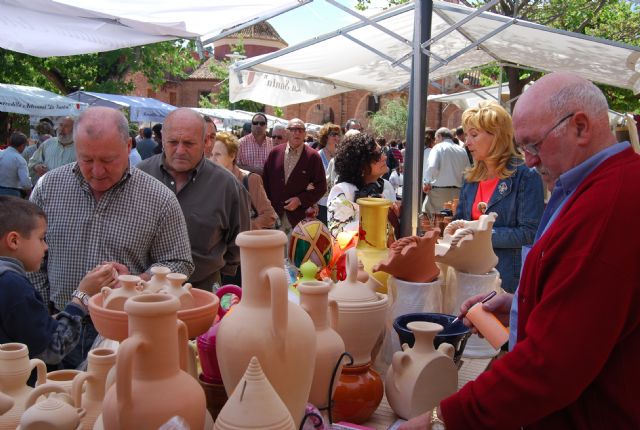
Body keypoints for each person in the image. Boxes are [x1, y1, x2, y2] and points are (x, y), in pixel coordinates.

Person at [399, 72, 640, 429]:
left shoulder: (608, 205)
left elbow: (552, 366)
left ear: (580, 128)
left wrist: (440, 419)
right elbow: (591, 302)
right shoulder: (593, 187)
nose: (528, 160)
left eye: (534, 145)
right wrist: (521, 302)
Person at [29, 106, 193, 369]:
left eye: (107, 160)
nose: (96, 171)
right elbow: (28, 259)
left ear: (128, 145)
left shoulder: (159, 198)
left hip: (126, 333)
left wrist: (137, 282)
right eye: (86, 159)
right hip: (56, 323)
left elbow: (179, 262)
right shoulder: (49, 187)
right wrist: (43, 307)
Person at [137, 108, 250, 291]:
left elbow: (239, 245)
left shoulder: (227, 185)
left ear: (206, 142)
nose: (180, 150)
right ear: (162, 139)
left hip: (203, 292)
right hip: (145, 294)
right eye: (173, 142)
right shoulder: (139, 176)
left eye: (189, 143)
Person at [0, 197, 113, 364]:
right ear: (14, 241)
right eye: (41, 238)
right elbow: (52, 349)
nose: (46, 247)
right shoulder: (13, 286)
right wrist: (82, 296)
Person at [453, 101, 544, 293]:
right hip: (469, 275)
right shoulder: (470, 177)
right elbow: (460, 222)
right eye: (467, 135)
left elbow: (530, 233)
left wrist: (481, 233)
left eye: (474, 135)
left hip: (505, 280)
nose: (466, 142)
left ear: (497, 136)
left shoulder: (526, 175)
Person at [262, 118, 327, 235]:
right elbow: (265, 183)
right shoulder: (275, 153)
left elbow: (321, 187)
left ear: (305, 134)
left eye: (300, 130)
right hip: (273, 217)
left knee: (294, 252)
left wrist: (300, 200)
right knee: (273, 252)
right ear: (287, 132)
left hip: (298, 219)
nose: (297, 133)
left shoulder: (313, 157)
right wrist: (267, 209)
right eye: (293, 129)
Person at [327, 133, 396, 238]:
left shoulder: (386, 186)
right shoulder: (343, 192)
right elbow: (340, 236)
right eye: (376, 156)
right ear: (361, 165)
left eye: (382, 151)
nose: (384, 157)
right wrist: (376, 211)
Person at [212, 131, 277, 230]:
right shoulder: (209, 180)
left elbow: (269, 215)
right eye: (210, 154)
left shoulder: (250, 180)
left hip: (246, 242)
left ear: (232, 156)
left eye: (217, 154)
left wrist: (242, 229)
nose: (212, 159)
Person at [422, 127, 470, 216]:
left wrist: (426, 182)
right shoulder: (461, 150)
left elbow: (432, 166)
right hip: (458, 193)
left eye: (436, 139)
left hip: (439, 193)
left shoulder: (437, 147)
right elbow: (468, 172)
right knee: (452, 221)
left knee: (432, 221)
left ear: (439, 136)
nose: (435, 141)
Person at [28, 116, 76, 184]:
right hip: (47, 187)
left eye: (66, 126)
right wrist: (37, 167)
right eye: (61, 125)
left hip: (70, 190)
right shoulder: (48, 144)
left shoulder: (80, 148)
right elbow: (32, 162)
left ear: (74, 129)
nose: (62, 129)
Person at [316, 123, 341, 224]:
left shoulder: (341, 154)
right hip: (323, 202)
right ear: (325, 136)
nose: (336, 137)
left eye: (338, 134)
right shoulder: (318, 155)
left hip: (338, 202)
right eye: (333, 134)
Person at [0, 132, 32, 197]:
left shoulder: (1, 154)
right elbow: (25, 184)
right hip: (11, 193)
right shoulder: (19, 160)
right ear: (22, 145)